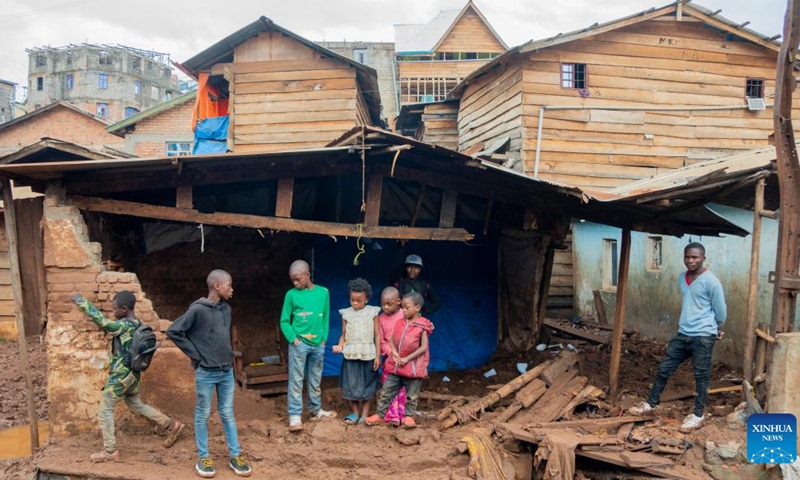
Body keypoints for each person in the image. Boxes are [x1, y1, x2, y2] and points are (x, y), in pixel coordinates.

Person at [72, 290, 185, 463]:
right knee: (137, 405)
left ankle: (109, 450)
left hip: (121, 377)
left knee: (105, 410)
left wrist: (82, 302)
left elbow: (103, 323)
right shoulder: (137, 323)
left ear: (124, 309)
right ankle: (171, 425)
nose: (112, 312)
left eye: (114, 309)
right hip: (133, 376)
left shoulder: (124, 325)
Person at [628, 242, 727, 433]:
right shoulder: (682, 278)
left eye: (695, 257)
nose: (690, 260)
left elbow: (721, 311)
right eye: (687, 257)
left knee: (701, 376)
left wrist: (716, 328)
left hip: (703, 336)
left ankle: (698, 415)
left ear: (703, 258)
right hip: (683, 334)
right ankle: (650, 404)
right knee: (664, 368)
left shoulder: (712, 281)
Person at [167, 270, 252, 478]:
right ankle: (203, 457)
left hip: (226, 371)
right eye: (228, 285)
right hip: (206, 372)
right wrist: (195, 356)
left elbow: (219, 337)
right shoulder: (197, 310)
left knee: (227, 413)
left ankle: (235, 455)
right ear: (216, 286)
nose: (232, 290)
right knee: (203, 414)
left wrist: (229, 355)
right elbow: (174, 331)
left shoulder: (226, 309)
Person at [280, 260, 336, 432]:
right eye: (292, 280)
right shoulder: (291, 295)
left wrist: (324, 338)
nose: (295, 283)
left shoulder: (323, 292)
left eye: (298, 279)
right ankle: (295, 416)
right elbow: (284, 320)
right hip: (300, 343)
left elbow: (326, 316)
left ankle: (315, 411)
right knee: (296, 379)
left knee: (315, 379)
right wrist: (293, 339)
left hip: (318, 343)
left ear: (307, 274)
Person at [366, 292, 434, 429]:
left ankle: (409, 416)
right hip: (396, 366)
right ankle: (380, 415)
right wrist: (395, 353)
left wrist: (407, 358)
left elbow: (423, 347)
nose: (403, 310)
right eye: (402, 307)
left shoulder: (422, 326)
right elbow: (391, 340)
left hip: (413, 368)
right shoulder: (400, 322)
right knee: (387, 391)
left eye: (406, 307)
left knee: (412, 395)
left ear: (417, 308)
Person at [332, 278, 382, 424]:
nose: (354, 303)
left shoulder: (373, 312)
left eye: (358, 300)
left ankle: (364, 414)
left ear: (366, 299)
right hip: (350, 355)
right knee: (350, 386)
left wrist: (377, 356)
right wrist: (340, 346)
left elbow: (377, 335)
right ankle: (355, 413)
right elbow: (344, 334)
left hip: (369, 354)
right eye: (352, 299)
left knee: (368, 386)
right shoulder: (345, 313)